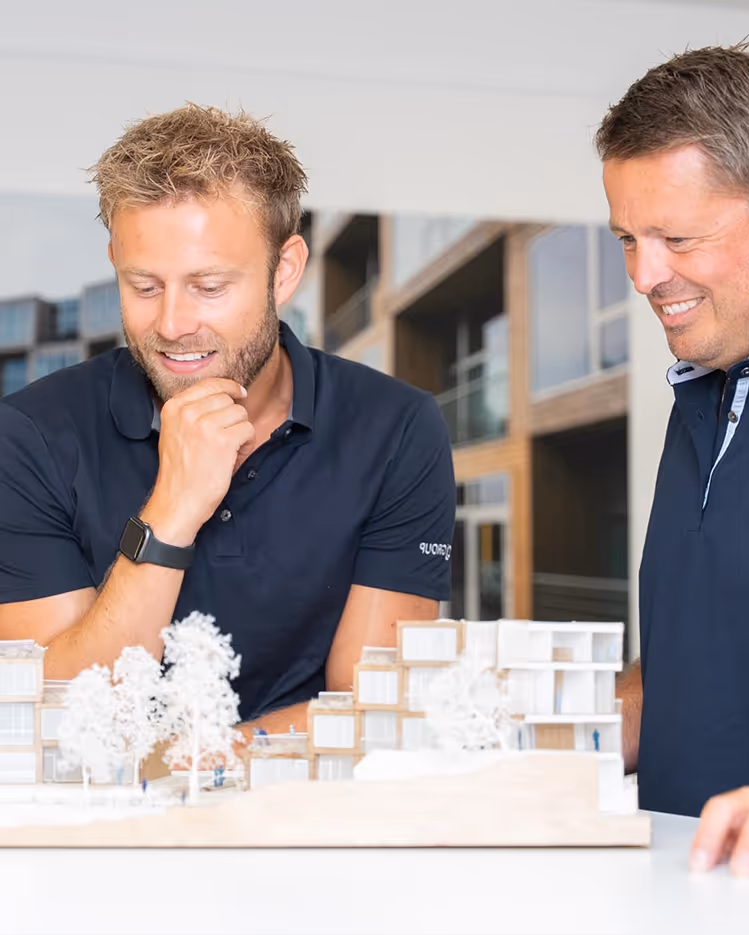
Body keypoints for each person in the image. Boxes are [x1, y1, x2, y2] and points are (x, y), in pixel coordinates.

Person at [0, 104, 456, 743]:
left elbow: (373, 711)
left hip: (308, 818)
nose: (173, 324)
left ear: (285, 271)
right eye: (145, 285)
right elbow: (52, 715)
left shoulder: (398, 429)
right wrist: (172, 512)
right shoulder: (28, 436)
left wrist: (208, 778)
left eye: (209, 286)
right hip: (95, 834)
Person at [597, 43, 749, 873]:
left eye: (677, 237)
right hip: (679, 888)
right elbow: (705, 651)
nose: (643, 273)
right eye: (628, 237)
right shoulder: (704, 394)